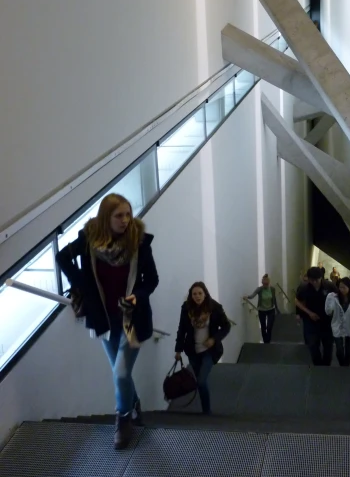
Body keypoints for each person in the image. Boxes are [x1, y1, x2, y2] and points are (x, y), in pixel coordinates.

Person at [56, 193, 159, 450]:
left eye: (128, 214)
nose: (125, 220)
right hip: (103, 319)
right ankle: (134, 405)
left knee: (120, 372)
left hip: (132, 320)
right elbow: (62, 257)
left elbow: (152, 280)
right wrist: (81, 285)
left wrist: (138, 296)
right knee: (119, 372)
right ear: (106, 218)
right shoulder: (89, 240)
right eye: (119, 215)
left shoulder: (139, 242)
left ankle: (123, 419)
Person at [175, 282, 231, 415]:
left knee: (201, 380)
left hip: (210, 351)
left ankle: (207, 411)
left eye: (200, 293)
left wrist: (214, 339)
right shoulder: (186, 308)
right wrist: (178, 350)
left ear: (205, 294)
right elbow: (181, 330)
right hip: (193, 351)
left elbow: (226, 326)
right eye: (194, 294)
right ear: (191, 295)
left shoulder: (214, 308)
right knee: (200, 382)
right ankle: (206, 409)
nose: (197, 296)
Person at [295, 266, 336, 366]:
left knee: (328, 345)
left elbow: (338, 299)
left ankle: (326, 366)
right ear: (308, 279)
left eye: (316, 280)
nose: (314, 283)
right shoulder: (304, 288)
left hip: (327, 321)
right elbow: (297, 301)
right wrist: (308, 313)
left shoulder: (329, 286)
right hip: (310, 321)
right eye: (312, 280)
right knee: (312, 345)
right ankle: (317, 365)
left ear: (321, 278)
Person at [325, 277, 350, 366]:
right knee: (339, 350)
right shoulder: (334, 297)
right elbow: (328, 312)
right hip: (337, 325)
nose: (341, 289)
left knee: (349, 349)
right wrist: (329, 301)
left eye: (344, 287)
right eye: (340, 287)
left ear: (349, 287)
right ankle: (342, 365)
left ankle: (347, 365)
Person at [243, 274, 280, 343]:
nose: (265, 286)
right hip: (262, 310)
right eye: (264, 284)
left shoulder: (272, 289)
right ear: (262, 283)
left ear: (269, 283)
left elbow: (274, 299)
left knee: (269, 327)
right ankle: (265, 341)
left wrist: (277, 309)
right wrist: (247, 297)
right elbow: (252, 295)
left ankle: (268, 340)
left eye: (267, 284)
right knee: (263, 327)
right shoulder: (259, 289)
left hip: (271, 309)